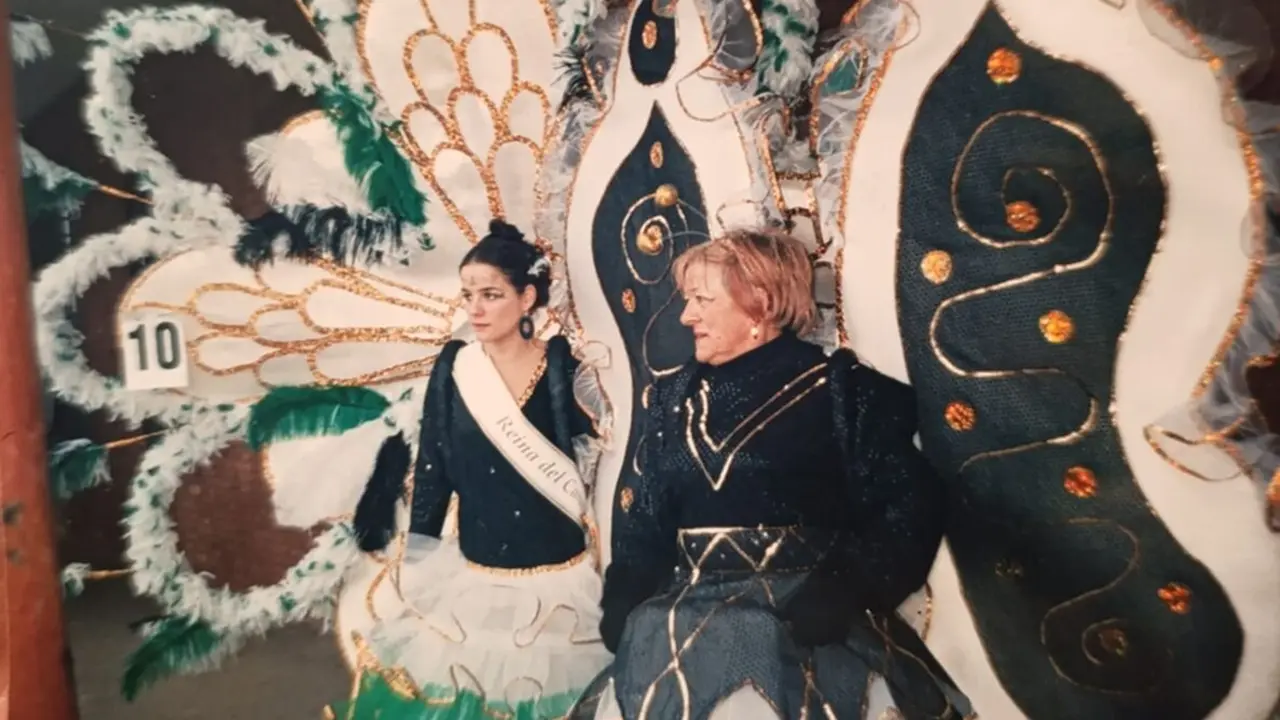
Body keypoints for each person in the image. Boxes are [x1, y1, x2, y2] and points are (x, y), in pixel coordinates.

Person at [571, 229, 971, 719]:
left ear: (758, 301)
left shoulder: (844, 393)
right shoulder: (672, 400)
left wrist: (849, 587)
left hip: (805, 627)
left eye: (701, 299)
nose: (685, 315)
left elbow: (912, 504)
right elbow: (648, 518)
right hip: (677, 633)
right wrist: (627, 594)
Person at [335, 220, 612, 719]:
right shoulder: (454, 367)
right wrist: (418, 551)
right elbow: (434, 465)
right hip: (476, 573)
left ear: (527, 298)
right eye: (468, 295)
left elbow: (601, 451)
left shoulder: (561, 367)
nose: (476, 309)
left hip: (560, 580)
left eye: (491, 294)